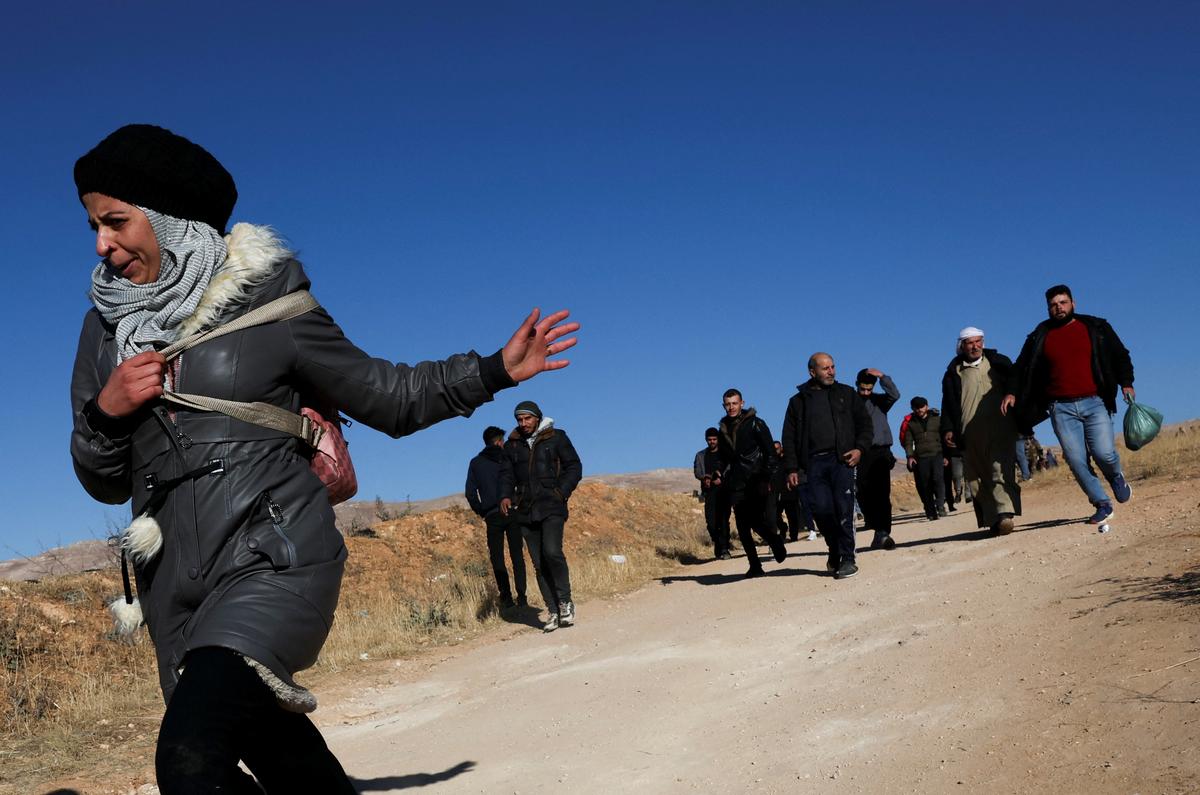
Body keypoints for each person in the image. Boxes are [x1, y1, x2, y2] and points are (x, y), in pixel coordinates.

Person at [68, 124, 579, 793]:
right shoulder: (104, 330)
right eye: (92, 227)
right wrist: (106, 412)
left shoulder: (271, 301)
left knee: (190, 758)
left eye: (116, 221)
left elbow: (387, 394)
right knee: (278, 751)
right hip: (172, 587)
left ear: (170, 219)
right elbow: (102, 480)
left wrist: (492, 372)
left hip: (271, 558)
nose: (102, 245)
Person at [1002, 285, 1135, 524]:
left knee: (1104, 453)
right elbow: (1020, 367)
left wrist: (1126, 382)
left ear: (1073, 303)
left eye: (1063, 302)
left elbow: (1120, 354)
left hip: (1095, 402)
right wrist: (1011, 392)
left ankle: (1115, 475)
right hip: (1060, 408)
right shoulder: (1040, 335)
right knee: (1076, 459)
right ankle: (1101, 503)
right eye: (1053, 305)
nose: (1058, 308)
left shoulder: (1095, 327)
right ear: (1048, 308)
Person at [781, 353, 873, 580]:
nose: (831, 371)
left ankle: (848, 558)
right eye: (825, 368)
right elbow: (789, 437)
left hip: (842, 460)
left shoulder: (846, 394)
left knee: (844, 508)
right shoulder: (798, 401)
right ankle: (834, 547)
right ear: (813, 372)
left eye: (833, 367)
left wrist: (860, 449)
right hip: (813, 464)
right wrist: (792, 468)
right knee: (821, 510)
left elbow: (864, 425)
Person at [499, 401, 583, 632]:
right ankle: (553, 610)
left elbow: (574, 467)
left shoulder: (556, 437)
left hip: (552, 505)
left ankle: (565, 601)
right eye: (519, 419)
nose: (523, 423)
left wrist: (561, 491)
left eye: (527, 418)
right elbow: (505, 475)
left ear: (537, 418)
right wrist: (506, 496)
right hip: (525, 509)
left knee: (552, 552)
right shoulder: (512, 445)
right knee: (538, 562)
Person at [941, 327, 1021, 535]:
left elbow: (1015, 379)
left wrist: (1011, 393)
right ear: (962, 346)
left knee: (999, 469)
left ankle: (1005, 514)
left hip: (1000, 427)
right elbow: (947, 405)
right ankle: (992, 519)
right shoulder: (952, 373)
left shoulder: (999, 362)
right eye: (970, 343)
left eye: (978, 342)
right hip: (968, 432)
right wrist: (948, 428)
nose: (975, 346)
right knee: (976, 477)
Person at [715, 389, 788, 578]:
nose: (731, 407)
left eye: (734, 403)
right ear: (724, 406)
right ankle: (755, 565)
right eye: (727, 404)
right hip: (737, 482)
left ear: (741, 403)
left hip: (757, 479)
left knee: (755, 520)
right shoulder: (723, 429)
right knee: (741, 524)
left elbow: (770, 454)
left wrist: (767, 479)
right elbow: (723, 457)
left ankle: (774, 540)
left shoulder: (756, 423)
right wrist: (717, 470)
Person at [466, 426, 526, 609]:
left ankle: (506, 597)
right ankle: (522, 597)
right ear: (499, 441)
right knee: (517, 556)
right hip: (512, 511)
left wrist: (482, 511)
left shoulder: (476, 463)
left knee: (497, 558)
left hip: (492, 515)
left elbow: (470, 493)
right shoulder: (507, 458)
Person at [855, 368, 901, 549]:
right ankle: (873, 523)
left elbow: (895, 394)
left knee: (882, 493)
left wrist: (882, 377)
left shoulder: (880, 401)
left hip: (881, 452)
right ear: (857, 384)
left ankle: (883, 532)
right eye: (863, 389)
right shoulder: (851, 403)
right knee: (863, 491)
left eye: (869, 389)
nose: (866, 393)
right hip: (861, 453)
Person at [903, 397, 947, 521]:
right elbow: (908, 442)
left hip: (937, 454)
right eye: (916, 407)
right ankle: (930, 510)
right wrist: (910, 456)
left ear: (926, 406)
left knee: (938, 480)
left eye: (921, 406)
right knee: (925, 484)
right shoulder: (911, 424)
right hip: (921, 458)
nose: (919, 409)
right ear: (912, 408)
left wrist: (946, 455)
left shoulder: (937, 420)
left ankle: (940, 506)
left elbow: (945, 438)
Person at [694, 428, 732, 559]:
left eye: (714, 439)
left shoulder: (725, 454)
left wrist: (721, 479)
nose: (712, 442)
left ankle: (725, 548)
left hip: (724, 491)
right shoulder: (700, 455)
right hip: (709, 492)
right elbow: (697, 471)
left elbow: (730, 468)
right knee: (711, 523)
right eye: (709, 440)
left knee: (723, 521)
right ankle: (718, 543)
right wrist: (705, 478)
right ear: (706, 440)